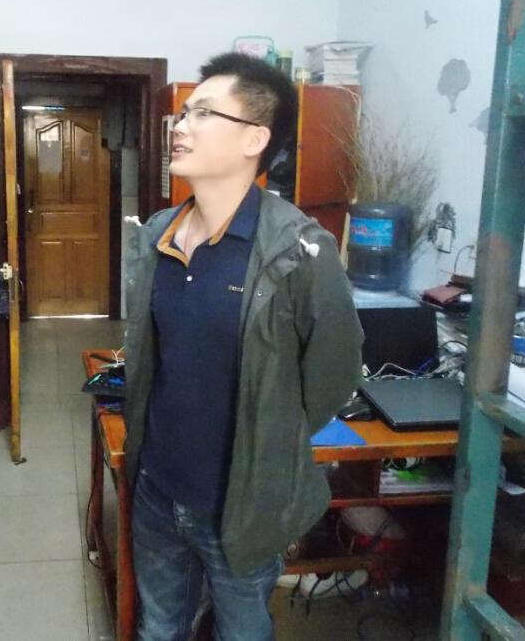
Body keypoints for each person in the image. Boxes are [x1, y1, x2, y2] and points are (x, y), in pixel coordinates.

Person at [123, 52, 364, 641]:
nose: (181, 126)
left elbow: (333, 377)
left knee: (242, 631)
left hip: (243, 503)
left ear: (255, 138)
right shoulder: (157, 236)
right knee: (159, 628)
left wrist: (270, 441)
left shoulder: (300, 251)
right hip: (157, 489)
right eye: (183, 113)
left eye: (203, 113)